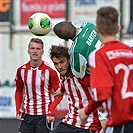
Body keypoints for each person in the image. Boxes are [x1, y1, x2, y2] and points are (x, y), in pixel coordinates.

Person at [79, 6, 133, 133]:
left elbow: (102, 93)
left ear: (96, 29)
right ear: (118, 28)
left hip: (121, 121)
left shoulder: (99, 55)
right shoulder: (130, 52)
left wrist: (86, 111)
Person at [47, 44, 103, 133]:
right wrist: (61, 90)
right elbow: (66, 83)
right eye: (56, 64)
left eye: (62, 62)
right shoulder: (63, 75)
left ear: (69, 60)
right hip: (69, 122)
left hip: (89, 125)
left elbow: (102, 91)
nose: (59, 67)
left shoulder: (81, 74)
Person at [14, 38, 61, 133]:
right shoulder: (21, 70)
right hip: (27, 115)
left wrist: (51, 110)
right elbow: (19, 90)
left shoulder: (50, 71)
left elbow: (60, 93)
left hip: (44, 115)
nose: (35, 51)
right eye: (32, 48)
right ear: (28, 50)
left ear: (42, 52)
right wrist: (18, 108)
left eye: (38, 49)